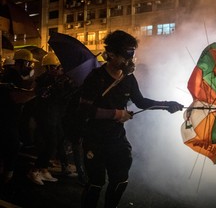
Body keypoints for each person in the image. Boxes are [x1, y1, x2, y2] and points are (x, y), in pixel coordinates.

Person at [78, 30, 184, 208]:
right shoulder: (96, 78)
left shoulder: (128, 78)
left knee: (120, 180)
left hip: (116, 138)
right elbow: (85, 110)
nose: (130, 60)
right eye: (126, 54)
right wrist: (116, 114)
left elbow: (141, 102)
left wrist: (167, 105)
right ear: (111, 54)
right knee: (95, 183)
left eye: (132, 54)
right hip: (94, 139)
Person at [27, 52, 75, 185]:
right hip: (46, 116)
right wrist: (54, 85)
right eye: (55, 67)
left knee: (58, 140)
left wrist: (67, 84)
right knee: (50, 144)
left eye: (58, 67)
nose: (58, 70)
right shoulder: (43, 80)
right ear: (48, 67)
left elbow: (65, 97)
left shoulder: (60, 80)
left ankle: (43, 169)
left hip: (56, 115)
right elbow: (41, 96)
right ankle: (35, 170)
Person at [0, 49, 37, 184]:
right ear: (23, 62)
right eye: (30, 64)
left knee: (9, 145)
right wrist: (35, 93)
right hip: (7, 119)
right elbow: (17, 98)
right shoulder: (12, 76)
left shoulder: (14, 75)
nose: (31, 67)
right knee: (12, 146)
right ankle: (7, 177)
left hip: (10, 118)